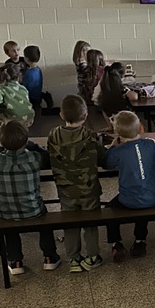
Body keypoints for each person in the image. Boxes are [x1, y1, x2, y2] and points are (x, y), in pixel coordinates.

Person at [0, 120, 60, 275]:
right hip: (33, 209)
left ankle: (15, 261)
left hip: (6, 211)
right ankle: (50, 257)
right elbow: (45, 154)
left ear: (1, 142)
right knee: (44, 219)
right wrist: (31, 145)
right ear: (26, 141)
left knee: (10, 228)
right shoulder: (35, 158)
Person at [47, 94, 107, 273]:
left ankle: (73, 259)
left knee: (70, 223)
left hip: (65, 190)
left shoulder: (54, 135)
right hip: (89, 188)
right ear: (86, 116)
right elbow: (102, 158)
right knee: (90, 222)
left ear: (61, 115)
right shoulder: (90, 136)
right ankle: (92, 256)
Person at [103, 110, 155, 262]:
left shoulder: (119, 151)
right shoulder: (150, 145)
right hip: (153, 197)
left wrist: (112, 146)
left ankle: (116, 242)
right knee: (142, 201)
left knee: (109, 209)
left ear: (117, 132)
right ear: (140, 128)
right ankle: (140, 240)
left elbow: (106, 163)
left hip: (128, 201)